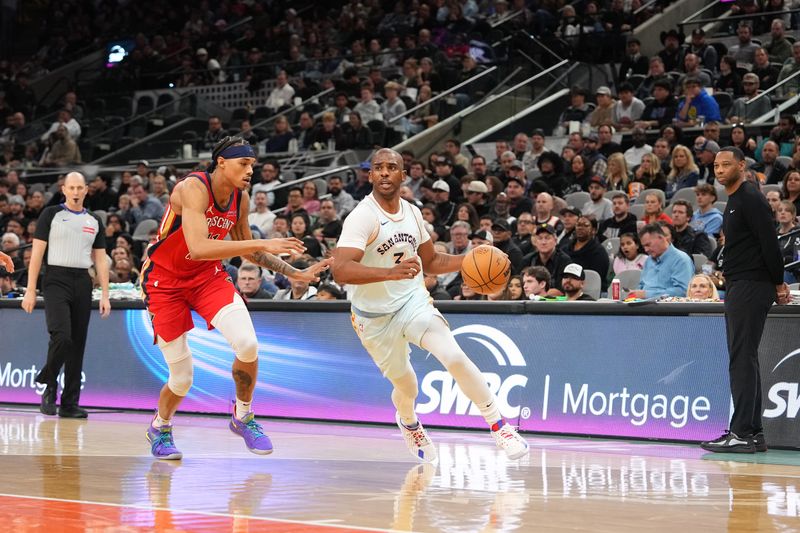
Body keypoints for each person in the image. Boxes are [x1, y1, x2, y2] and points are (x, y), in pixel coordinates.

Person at [332, 148, 529, 463]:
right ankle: (408, 421)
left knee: (453, 355)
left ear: (403, 175)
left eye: (391, 167)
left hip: (412, 302)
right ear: (369, 176)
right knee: (406, 385)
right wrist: (388, 273)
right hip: (373, 317)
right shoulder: (362, 217)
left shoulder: (411, 212)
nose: (384, 173)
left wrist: (470, 260)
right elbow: (340, 270)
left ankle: (499, 425)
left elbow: (432, 261)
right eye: (378, 168)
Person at [139, 137, 331, 460]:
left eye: (252, 166)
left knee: (248, 344)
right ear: (221, 163)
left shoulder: (240, 199)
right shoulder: (192, 189)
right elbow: (198, 246)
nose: (250, 171)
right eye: (244, 164)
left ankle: (243, 416)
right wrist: (264, 244)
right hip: (165, 281)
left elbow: (249, 248)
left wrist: (292, 273)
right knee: (182, 378)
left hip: (205, 277)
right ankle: (160, 427)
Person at [700, 147, 790, 453]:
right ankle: (752, 433)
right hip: (741, 284)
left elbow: (770, 242)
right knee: (745, 358)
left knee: (741, 358)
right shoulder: (735, 200)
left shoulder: (750, 198)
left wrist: (779, 283)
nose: (720, 169)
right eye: (716, 165)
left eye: (727, 164)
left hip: (752, 285)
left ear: (742, 165)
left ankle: (741, 432)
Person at [21, 172, 111, 418]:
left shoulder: (94, 220)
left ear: (85, 191)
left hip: (83, 281)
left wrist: (105, 294)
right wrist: (31, 289)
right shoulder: (51, 214)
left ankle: (69, 403)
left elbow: (101, 260)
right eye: (71, 187)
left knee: (78, 344)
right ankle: (49, 385)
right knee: (62, 336)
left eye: (79, 187)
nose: (75, 191)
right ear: (63, 189)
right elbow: (37, 254)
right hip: (55, 280)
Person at [629, 223, 694, 299]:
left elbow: (682, 291)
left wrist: (647, 294)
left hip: (667, 309)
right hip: (643, 307)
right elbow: (641, 286)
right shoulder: (648, 260)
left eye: (648, 245)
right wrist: (634, 294)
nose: (646, 250)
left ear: (661, 238)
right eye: (644, 246)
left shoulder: (681, 260)